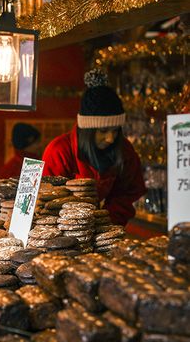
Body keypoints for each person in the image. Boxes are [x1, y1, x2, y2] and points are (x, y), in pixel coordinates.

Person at [42, 69, 146, 226]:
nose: (110, 138)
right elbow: (46, 202)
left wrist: (105, 223)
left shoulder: (124, 149)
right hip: (60, 230)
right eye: (103, 131)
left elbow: (127, 193)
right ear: (87, 130)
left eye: (115, 130)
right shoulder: (59, 151)